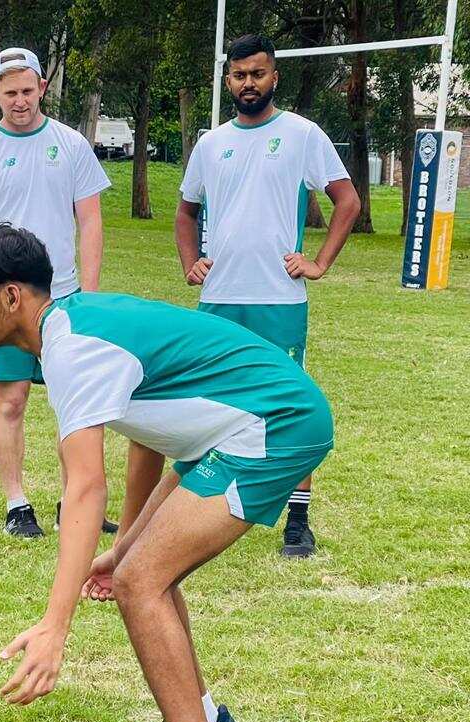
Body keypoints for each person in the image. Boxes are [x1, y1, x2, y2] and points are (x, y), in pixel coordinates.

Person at [0, 225, 335, 722]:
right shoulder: (73, 326)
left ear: (12, 296)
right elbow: (145, 434)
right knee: (140, 568)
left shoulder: (72, 351)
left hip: (274, 426)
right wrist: (124, 545)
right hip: (228, 430)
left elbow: (83, 490)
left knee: (140, 583)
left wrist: (55, 624)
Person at [98, 33, 359, 573]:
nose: (248, 84)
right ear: (228, 80)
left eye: (257, 74)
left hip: (277, 298)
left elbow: (347, 200)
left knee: (286, 399)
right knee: (202, 403)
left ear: (274, 77)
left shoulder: (302, 134)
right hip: (218, 301)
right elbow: (185, 211)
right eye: (239, 76)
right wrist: (190, 260)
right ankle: (184, 512)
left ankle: (298, 520)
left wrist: (319, 262)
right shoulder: (210, 144)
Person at [0, 47, 115, 538]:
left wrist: (91, 293)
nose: (19, 101)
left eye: (27, 91)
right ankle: (17, 505)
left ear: (42, 88)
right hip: (3, 303)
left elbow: (91, 221)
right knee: (11, 401)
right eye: (9, 92)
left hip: (62, 299)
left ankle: (74, 501)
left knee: (76, 404)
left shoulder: (72, 145)